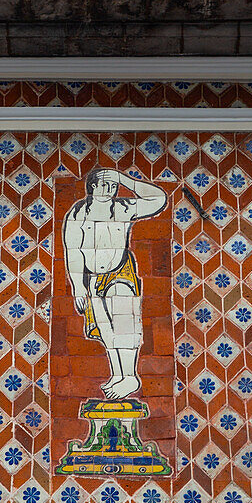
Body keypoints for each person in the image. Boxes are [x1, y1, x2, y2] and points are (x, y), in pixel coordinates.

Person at [63, 168, 166, 399]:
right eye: (102, 184)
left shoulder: (122, 208)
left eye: (112, 185)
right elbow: (74, 250)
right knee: (106, 329)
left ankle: (130, 376)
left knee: (124, 322)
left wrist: (124, 179)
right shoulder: (78, 212)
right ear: (91, 187)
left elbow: (159, 199)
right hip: (93, 279)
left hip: (120, 272)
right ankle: (119, 375)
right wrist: (78, 286)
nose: (107, 190)